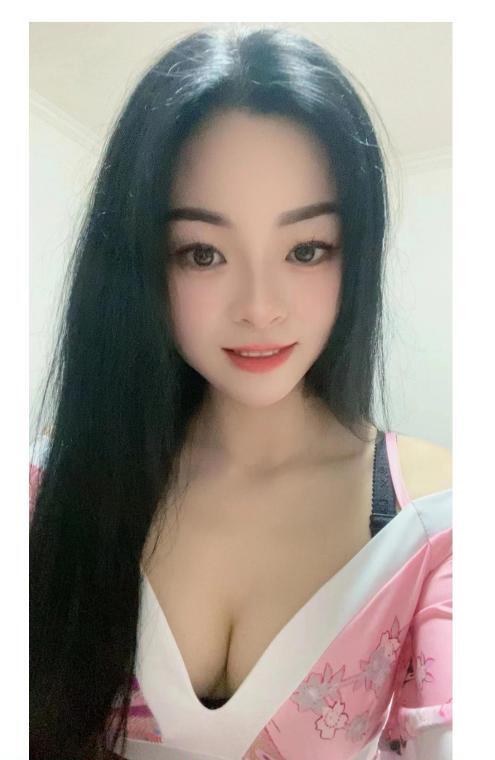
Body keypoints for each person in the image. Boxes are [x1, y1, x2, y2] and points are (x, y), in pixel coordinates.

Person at [29, 25, 452, 760]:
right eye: (203, 253)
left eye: (306, 249)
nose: (260, 307)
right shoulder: (48, 488)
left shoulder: (433, 516)